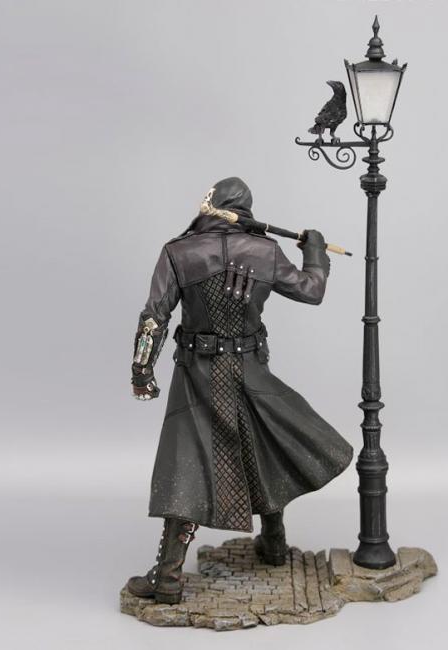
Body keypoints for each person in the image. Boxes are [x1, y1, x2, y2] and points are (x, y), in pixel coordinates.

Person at [126, 177, 353, 604]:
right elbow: (312, 289)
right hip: (248, 368)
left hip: (199, 373)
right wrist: (315, 252)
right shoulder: (265, 251)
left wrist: (142, 370)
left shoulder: (178, 251)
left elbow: (155, 315)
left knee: (189, 460)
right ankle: (272, 543)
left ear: (213, 204)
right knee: (262, 447)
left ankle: (169, 577)